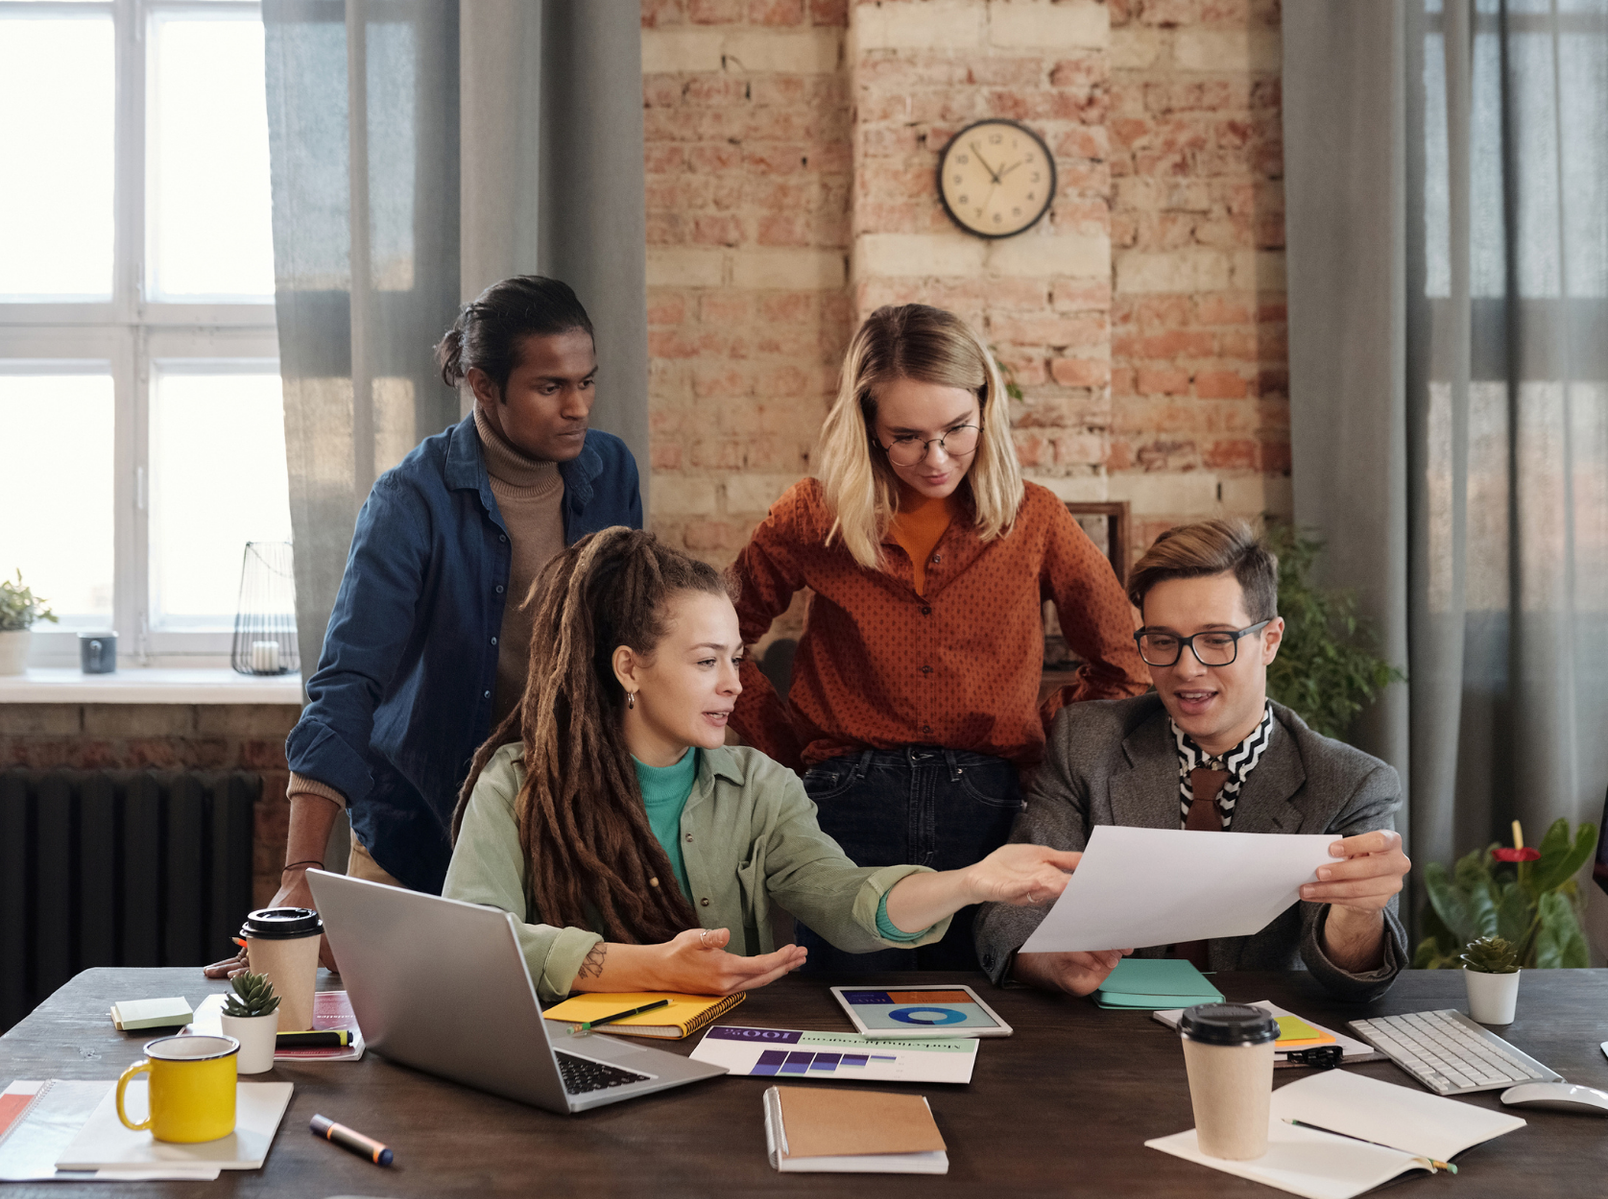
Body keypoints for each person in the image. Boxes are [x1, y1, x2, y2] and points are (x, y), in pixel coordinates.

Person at [207, 277, 643, 980]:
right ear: (482, 385)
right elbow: (348, 682)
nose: (579, 406)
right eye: (551, 386)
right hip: (420, 837)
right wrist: (299, 874)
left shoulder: (610, 470)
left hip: (564, 839)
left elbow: (630, 650)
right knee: (394, 1067)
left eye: (587, 381)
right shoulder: (411, 498)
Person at [444, 528, 1080, 999]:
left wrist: (971, 881)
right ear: (629, 666)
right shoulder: (517, 783)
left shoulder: (761, 787)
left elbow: (846, 899)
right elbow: (471, 942)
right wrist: (646, 967)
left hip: (723, 1070)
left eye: (736, 657)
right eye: (705, 661)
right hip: (570, 1066)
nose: (734, 685)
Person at [726, 304, 1148, 974]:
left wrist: (1037, 733)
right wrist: (784, 750)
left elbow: (1125, 664)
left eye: (956, 429)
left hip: (985, 806)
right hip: (843, 806)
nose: (936, 456)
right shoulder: (812, 516)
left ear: (986, 404)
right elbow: (721, 640)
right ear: (867, 424)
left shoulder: (1035, 518)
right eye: (907, 435)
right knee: (843, 1014)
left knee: (985, 1016)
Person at [975, 517, 1413, 999]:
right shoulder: (1086, 741)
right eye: (1163, 641)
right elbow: (1009, 907)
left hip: (1262, 1042)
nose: (1187, 668)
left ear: (1269, 641)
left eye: (1216, 640)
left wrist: (1360, 910)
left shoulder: (1351, 781)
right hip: (1107, 1038)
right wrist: (1046, 961)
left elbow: (1352, 978)